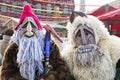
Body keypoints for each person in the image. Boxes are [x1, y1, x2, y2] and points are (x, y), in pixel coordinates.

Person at [0, 4, 70, 80]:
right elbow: (5, 74)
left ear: (39, 30)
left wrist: (47, 78)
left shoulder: (50, 46)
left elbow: (63, 69)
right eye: (25, 26)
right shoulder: (13, 49)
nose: (29, 31)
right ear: (19, 31)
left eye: (33, 26)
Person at [61, 10, 120, 80]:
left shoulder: (111, 46)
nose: (84, 41)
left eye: (87, 34)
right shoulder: (69, 56)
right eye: (79, 35)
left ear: (96, 34)